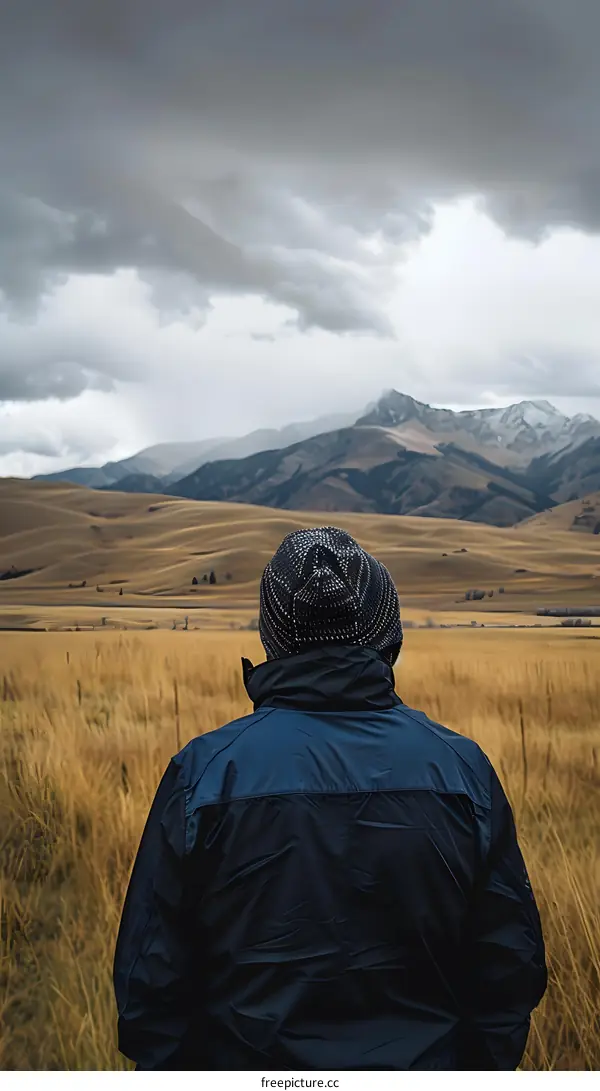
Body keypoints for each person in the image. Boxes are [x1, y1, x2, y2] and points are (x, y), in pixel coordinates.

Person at [113, 527, 547, 1071]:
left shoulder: (204, 774)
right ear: (386, 631)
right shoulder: (462, 769)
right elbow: (509, 969)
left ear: (274, 636)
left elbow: (148, 987)